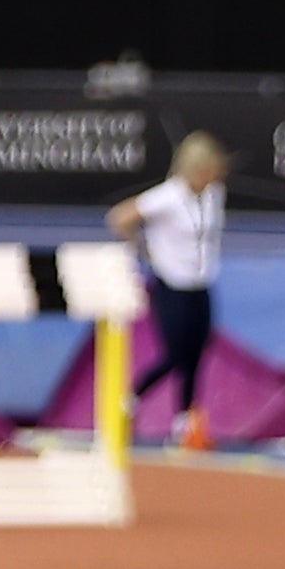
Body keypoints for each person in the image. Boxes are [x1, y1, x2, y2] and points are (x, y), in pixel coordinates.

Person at [112, 130, 227, 448]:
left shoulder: (215, 194)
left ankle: (184, 421)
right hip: (171, 282)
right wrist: (143, 249)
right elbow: (120, 217)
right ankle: (130, 399)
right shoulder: (167, 196)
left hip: (201, 282)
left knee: (196, 353)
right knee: (175, 354)